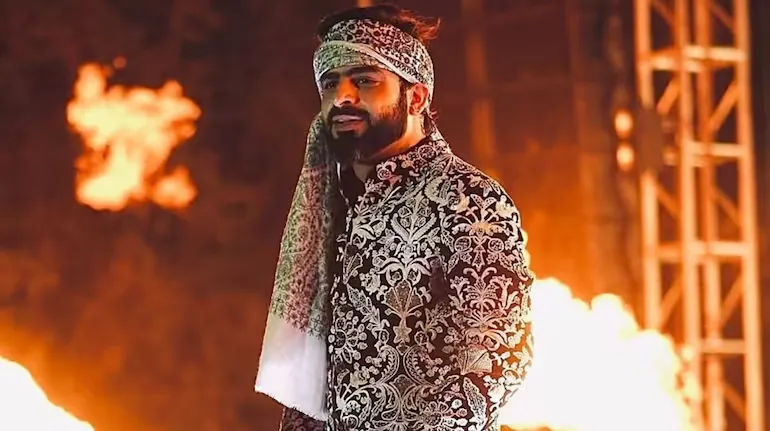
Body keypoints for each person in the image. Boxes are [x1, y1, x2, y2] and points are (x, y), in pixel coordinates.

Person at [255, 4, 535, 430]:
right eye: (330, 83)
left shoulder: (468, 198)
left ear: (416, 97)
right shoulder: (330, 210)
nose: (342, 97)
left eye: (365, 80)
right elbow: (312, 384)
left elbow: (499, 359)